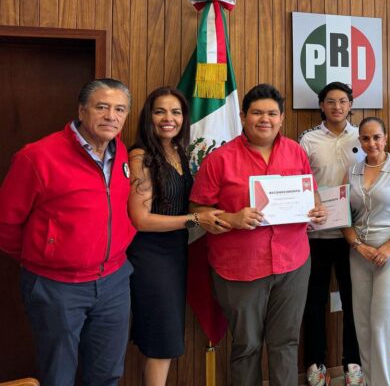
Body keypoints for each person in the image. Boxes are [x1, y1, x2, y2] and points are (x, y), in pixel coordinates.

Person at [189, 84, 327, 386]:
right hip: (240, 268)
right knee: (246, 346)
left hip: (293, 263)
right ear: (243, 116)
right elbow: (198, 211)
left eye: (272, 114)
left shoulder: (295, 151)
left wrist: (318, 209)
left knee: (286, 343)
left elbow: (311, 194)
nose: (265, 119)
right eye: (257, 113)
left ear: (281, 119)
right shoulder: (219, 160)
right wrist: (232, 218)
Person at [0, 78, 135, 386]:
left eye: (119, 109)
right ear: (81, 110)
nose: (111, 116)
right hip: (56, 287)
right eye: (101, 107)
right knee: (58, 376)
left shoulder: (122, 152)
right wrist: (46, 255)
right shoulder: (36, 157)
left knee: (107, 375)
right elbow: (5, 224)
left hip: (114, 282)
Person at [126, 87, 225, 386]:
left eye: (176, 112)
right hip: (150, 256)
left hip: (176, 253)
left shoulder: (179, 152)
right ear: (148, 117)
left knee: (164, 338)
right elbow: (140, 220)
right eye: (160, 111)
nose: (168, 118)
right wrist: (195, 219)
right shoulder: (140, 156)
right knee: (163, 340)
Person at [342, 117, 390, 386]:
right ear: (360, 141)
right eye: (365, 138)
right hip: (360, 254)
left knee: (383, 325)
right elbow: (344, 217)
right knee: (362, 324)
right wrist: (357, 245)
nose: (371, 143)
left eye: (376, 137)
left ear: (386, 138)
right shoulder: (351, 172)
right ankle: (372, 381)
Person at [300, 82, 364, 386]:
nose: (337, 106)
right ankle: (316, 366)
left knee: (354, 301)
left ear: (350, 104)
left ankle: (353, 365)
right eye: (330, 101)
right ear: (321, 106)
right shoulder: (308, 140)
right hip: (315, 236)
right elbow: (301, 180)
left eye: (342, 101)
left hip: (354, 236)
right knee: (314, 302)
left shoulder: (363, 137)